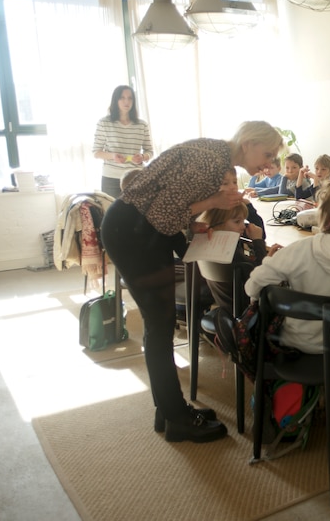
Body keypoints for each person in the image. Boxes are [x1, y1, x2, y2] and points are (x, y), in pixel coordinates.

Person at [101, 121, 283, 443]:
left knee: (160, 324)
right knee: (160, 325)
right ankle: (176, 419)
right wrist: (214, 203)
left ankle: (168, 408)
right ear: (249, 142)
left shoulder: (215, 154)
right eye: (266, 153)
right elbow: (161, 213)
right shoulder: (213, 162)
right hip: (134, 232)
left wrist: (192, 225)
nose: (268, 163)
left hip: (136, 227)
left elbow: (169, 203)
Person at [244, 183, 330, 414]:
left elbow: (252, 287)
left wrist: (271, 265)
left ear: (324, 213)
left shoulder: (301, 250)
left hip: (300, 342)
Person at [196, 202, 268, 313]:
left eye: (243, 221)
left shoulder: (207, 245)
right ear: (218, 223)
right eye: (237, 222)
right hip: (248, 312)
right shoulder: (233, 256)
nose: (243, 226)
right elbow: (260, 280)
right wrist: (258, 243)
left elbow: (258, 230)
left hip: (226, 307)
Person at [92, 85, 153, 199]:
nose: (127, 101)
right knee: (111, 213)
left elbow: (149, 151)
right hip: (111, 178)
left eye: (130, 98)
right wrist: (113, 156)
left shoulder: (142, 125)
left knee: (137, 214)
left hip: (136, 176)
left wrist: (143, 157)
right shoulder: (104, 123)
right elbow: (96, 152)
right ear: (116, 100)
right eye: (122, 98)